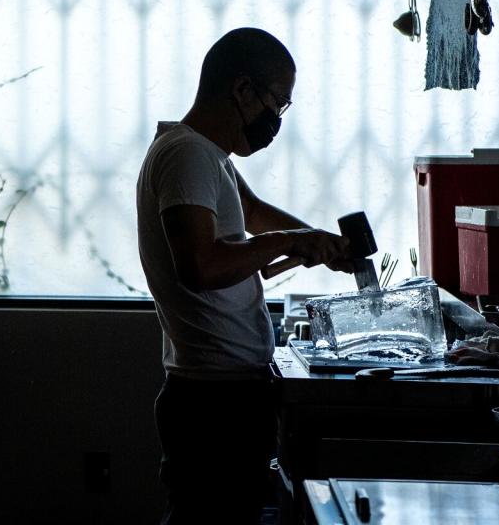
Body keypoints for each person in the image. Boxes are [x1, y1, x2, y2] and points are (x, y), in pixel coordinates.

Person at [136, 27, 352, 524]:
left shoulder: (207, 155)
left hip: (224, 391)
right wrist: (292, 242)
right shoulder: (187, 154)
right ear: (241, 90)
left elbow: (250, 212)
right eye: (277, 103)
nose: (275, 119)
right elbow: (201, 265)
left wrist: (313, 237)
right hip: (212, 400)